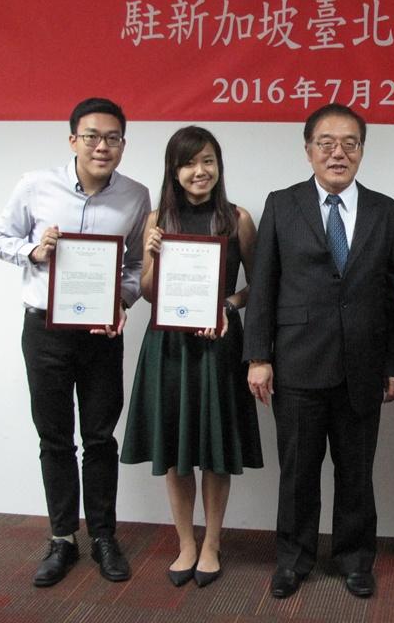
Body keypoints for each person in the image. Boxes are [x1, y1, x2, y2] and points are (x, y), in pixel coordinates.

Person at [243, 103, 394, 600]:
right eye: (326, 143)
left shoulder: (390, 213)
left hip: (363, 367)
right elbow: (264, 285)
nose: (338, 153)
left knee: (357, 472)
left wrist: (393, 364)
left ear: (362, 150)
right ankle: (293, 560)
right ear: (308, 149)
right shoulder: (282, 204)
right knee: (297, 472)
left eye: (349, 144)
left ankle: (356, 560)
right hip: (297, 363)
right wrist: (258, 356)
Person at [0, 97, 150, 587]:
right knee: (55, 437)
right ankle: (62, 539)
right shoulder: (36, 185)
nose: (103, 146)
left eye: (113, 138)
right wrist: (34, 250)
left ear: (124, 143)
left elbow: (138, 268)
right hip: (45, 331)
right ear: (73, 139)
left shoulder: (136, 196)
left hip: (100, 336)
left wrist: (120, 302)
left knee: (100, 437)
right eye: (93, 136)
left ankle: (103, 536)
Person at [120, 126, 263, 588]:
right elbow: (145, 292)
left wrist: (226, 307)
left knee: (216, 452)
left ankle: (213, 543)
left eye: (208, 161)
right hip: (170, 346)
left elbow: (258, 288)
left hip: (219, 344)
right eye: (189, 163)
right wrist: (154, 256)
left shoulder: (237, 218)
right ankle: (185, 542)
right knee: (176, 447)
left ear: (218, 166)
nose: (199, 171)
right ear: (174, 170)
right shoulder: (158, 219)